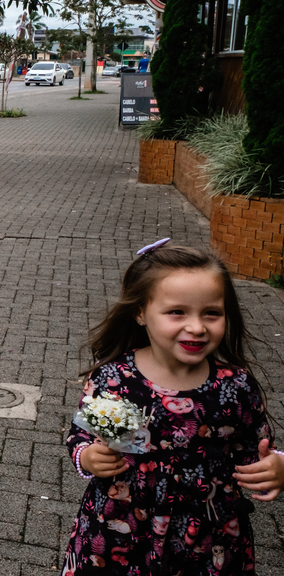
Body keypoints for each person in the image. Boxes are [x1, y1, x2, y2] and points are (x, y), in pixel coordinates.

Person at [62, 241, 284, 574]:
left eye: (211, 313)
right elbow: (83, 437)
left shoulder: (235, 386)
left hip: (209, 540)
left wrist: (273, 469)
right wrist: (88, 457)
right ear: (140, 312)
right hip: (121, 534)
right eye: (177, 312)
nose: (197, 327)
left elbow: (253, 450)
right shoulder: (117, 380)